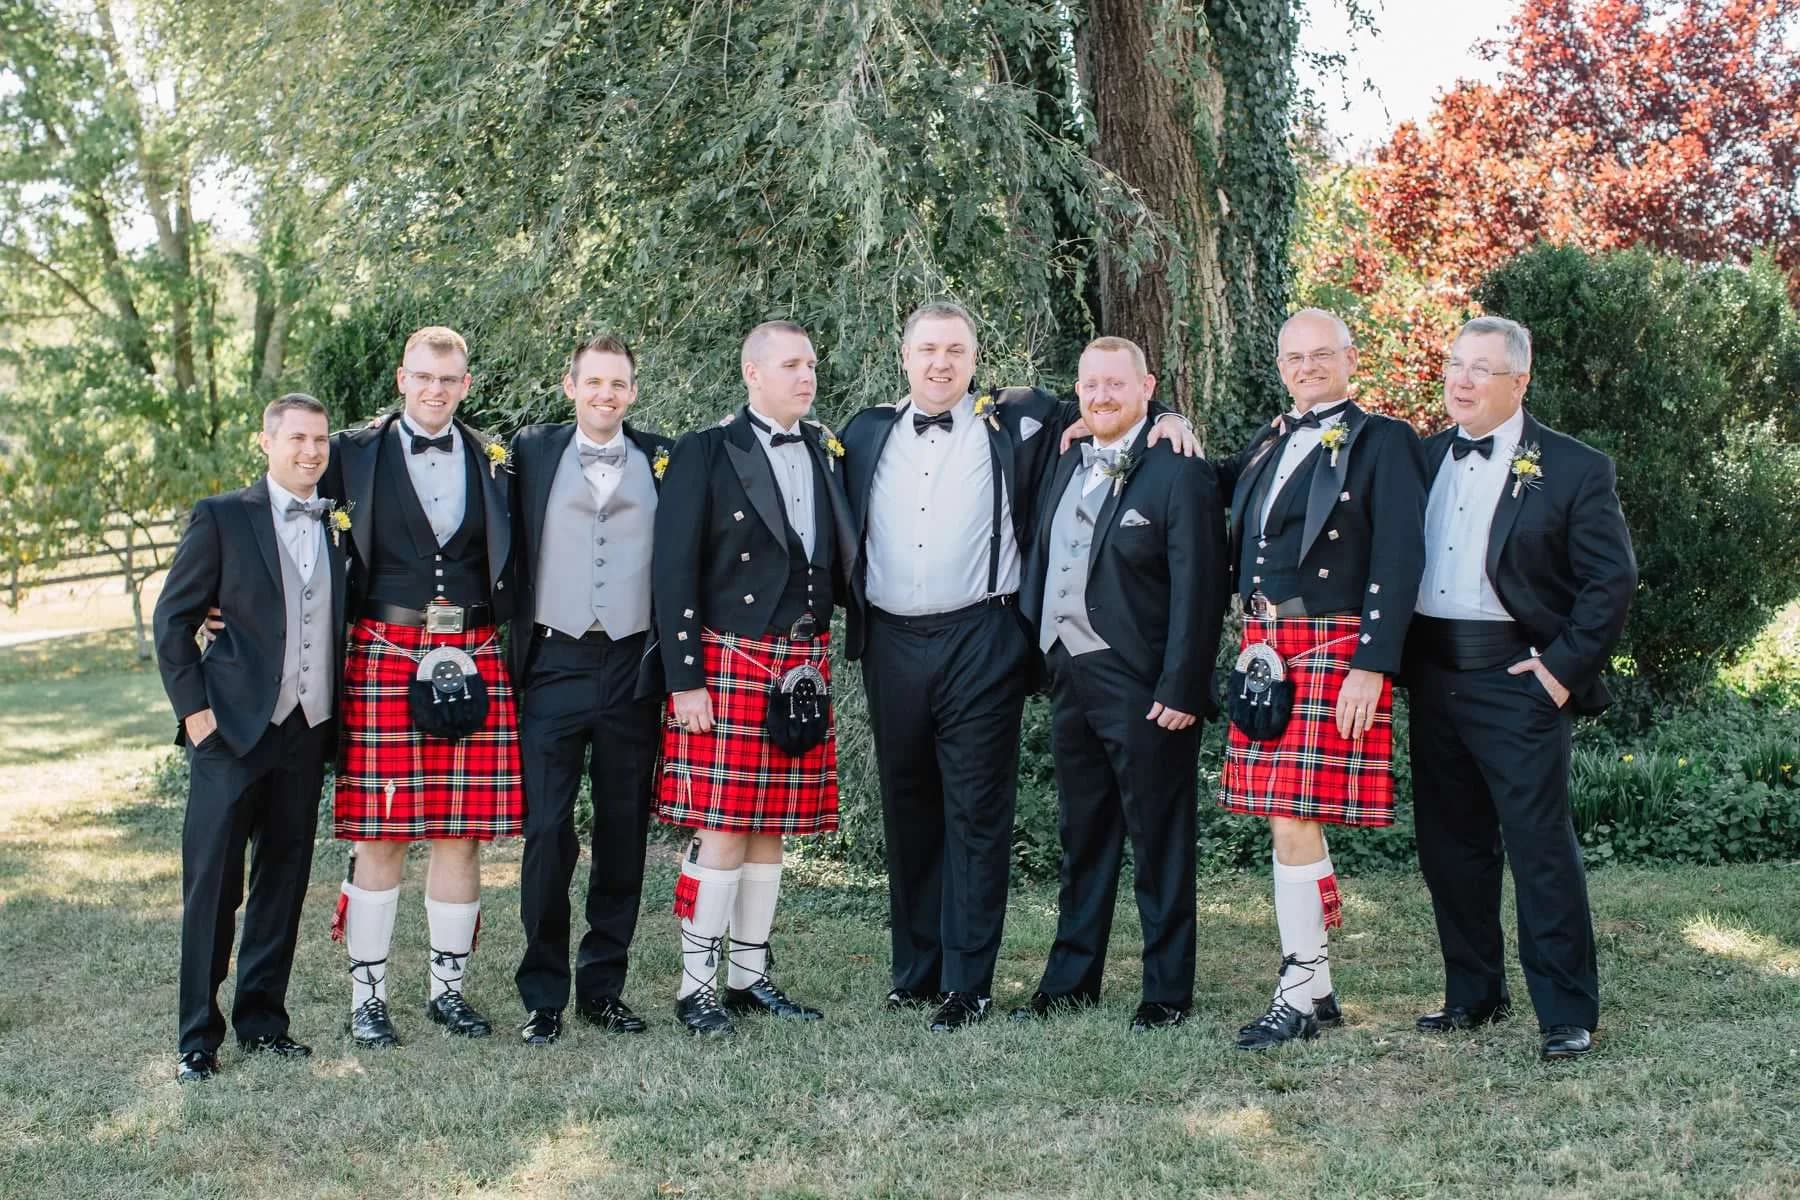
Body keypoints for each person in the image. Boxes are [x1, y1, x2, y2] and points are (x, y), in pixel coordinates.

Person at [838, 300, 1199, 1032]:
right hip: (890, 644)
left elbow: (1115, 398)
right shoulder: (864, 432)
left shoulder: (1023, 421)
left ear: (976, 360)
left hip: (982, 637)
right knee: (910, 812)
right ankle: (918, 970)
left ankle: (968, 984)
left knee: (977, 812)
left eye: (957, 350)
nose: (942, 362)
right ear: (903, 356)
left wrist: (1169, 417)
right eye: (929, 349)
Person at [1406, 315, 1635, 1061]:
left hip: (1517, 680)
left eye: (1480, 369)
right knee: (1451, 846)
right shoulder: (1422, 455)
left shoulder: (1572, 467)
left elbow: (1611, 581)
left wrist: (1562, 671)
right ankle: (1474, 993)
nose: (1461, 381)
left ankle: (1567, 1011)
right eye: (1453, 366)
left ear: (1519, 381)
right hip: (1431, 676)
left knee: (1539, 847)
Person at [1216, 307, 1426, 1049]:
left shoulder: (1385, 441)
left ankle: (1300, 990)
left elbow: (1401, 556)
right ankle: (1320, 987)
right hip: (1268, 644)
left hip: (1334, 642)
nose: (1308, 367)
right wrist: (1165, 420)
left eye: (1321, 355)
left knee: (1292, 815)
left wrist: (1373, 663)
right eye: (1294, 358)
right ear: (1281, 367)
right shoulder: (1270, 441)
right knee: (1283, 811)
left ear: (1350, 358)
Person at [1009, 338, 1227, 1032]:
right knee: (1085, 836)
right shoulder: (1066, 453)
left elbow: (1201, 588)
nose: (1101, 396)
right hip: (1069, 672)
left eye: (1116, 385)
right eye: (1090, 385)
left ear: (1146, 387)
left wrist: (1184, 686)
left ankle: (1166, 992)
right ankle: (1071, 982)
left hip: (1145, 684)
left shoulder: (1178, 467)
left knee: (1159, 840)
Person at [652, 320, 859, 1036]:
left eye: (811, 364)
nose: (806, 377)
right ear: (752, 372)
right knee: (724, 830)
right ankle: (695, 987)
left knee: (772, 829)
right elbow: (671, 568)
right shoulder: (706, 451)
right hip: (730, 661)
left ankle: (748, 976)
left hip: (798, 663)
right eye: (792, 365)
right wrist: (685, 679)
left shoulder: (826, 451)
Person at [321, 325, 523, 1046]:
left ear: (465, 385)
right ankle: (367, 999)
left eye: (449, 379)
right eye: (424, 377)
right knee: (381, 833)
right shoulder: (349, 453)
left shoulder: (495, 458)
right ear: (402, 379)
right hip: (384, 647)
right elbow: (283, 517)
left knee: (462, 834)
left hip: (473, 648)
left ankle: (448, 991)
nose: (436, 390)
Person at [153, 393, 346, 1082]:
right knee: (213, 888)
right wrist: (196, 717)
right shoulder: (222, 517)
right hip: (230, 733)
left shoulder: (339, 523)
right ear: (266, 443)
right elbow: (172, 620)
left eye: (320, 439)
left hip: (307, 730)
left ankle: (263, 1022)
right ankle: (197, 1038)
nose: (310, 451)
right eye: (296, 438)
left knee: (282, 883)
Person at [507, 334, 673, 1045]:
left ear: (633, 391)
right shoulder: (527, 452)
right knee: (546, 832)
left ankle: (603, 988)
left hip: (633, 666)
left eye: (619, 383)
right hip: (553, 662)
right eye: (594, 381)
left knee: (622, 833)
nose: (607, 394)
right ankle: (544, 995)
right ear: (570, 384)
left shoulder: (665, 458)